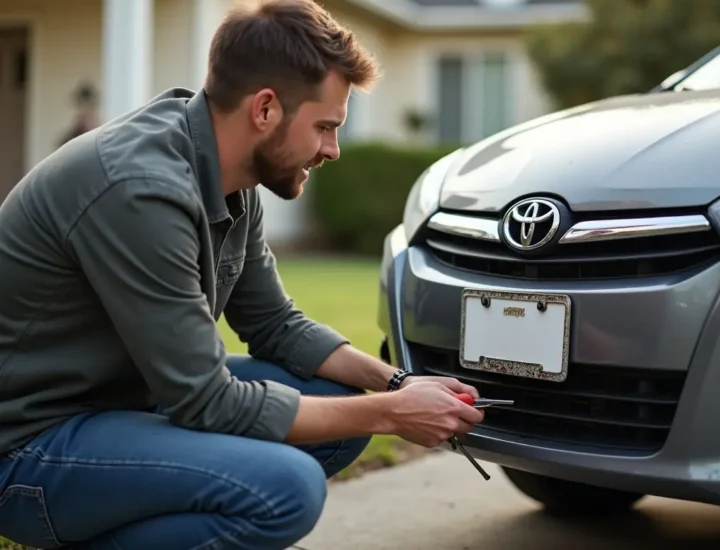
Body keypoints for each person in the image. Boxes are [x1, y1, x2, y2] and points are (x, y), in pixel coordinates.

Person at [0, 1, 484, 549]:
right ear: (265, 109)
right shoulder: (139, 189)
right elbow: (206, 402)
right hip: (28, 448)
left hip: (124, 401)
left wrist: (396, 385)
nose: (334, 149)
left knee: (338, 401)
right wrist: (394, 414)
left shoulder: (231, 177)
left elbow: (275, 324)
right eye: (325, 127)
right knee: (287, 488)